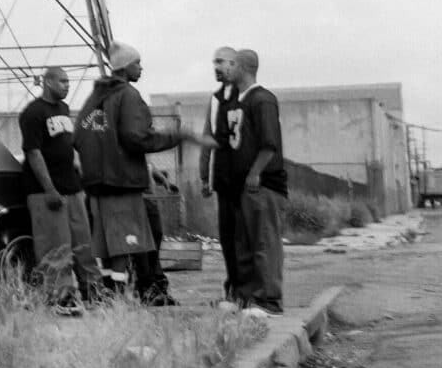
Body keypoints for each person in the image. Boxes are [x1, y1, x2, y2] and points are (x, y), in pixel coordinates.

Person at [74, 41, 216, 303]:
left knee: (108, 247)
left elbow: (81, 138)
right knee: (126, 243)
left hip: (96, 186)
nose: (141, 68)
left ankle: (111, 296)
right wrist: (181, 135)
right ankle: (123, 297)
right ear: (126, 67)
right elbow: (136, 138)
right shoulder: (127, 96)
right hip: (122, 185)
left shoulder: (94, 99)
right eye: (137, 63)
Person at [19, 65, 103, 314]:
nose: (67, 85)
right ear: (48, 83)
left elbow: (67, 147)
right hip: (47, 192)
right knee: (56, 248)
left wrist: (79, 177)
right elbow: (33, 153)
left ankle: (93, 292)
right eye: (63, 81)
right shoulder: (33, 113)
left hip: (72, 188)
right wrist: (49, 189)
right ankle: (61, 298)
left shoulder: (64, 110)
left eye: (68, 81)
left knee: (83, 244)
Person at [225, 48, 288, 314]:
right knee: (244, 244)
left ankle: (269, 299)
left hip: (263, 185)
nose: (227, 69)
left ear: (243, 67)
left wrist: (255, 172)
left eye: (231, 64)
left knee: (265, 242)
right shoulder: (237, 101)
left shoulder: (262, 99)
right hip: (242, 188)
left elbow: (269, 143)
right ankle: (246, 297)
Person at [198, 45, 240, 301]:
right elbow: (207, 136)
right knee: (227, 236)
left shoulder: (247, 96)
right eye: (214, 62)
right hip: (223, 179)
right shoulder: (215, 99)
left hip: (244, 179)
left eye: (222, 62)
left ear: (235, 64)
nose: (217, 67)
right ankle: (233, 287)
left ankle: (247, 289)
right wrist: (205, 176)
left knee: (244, 237)